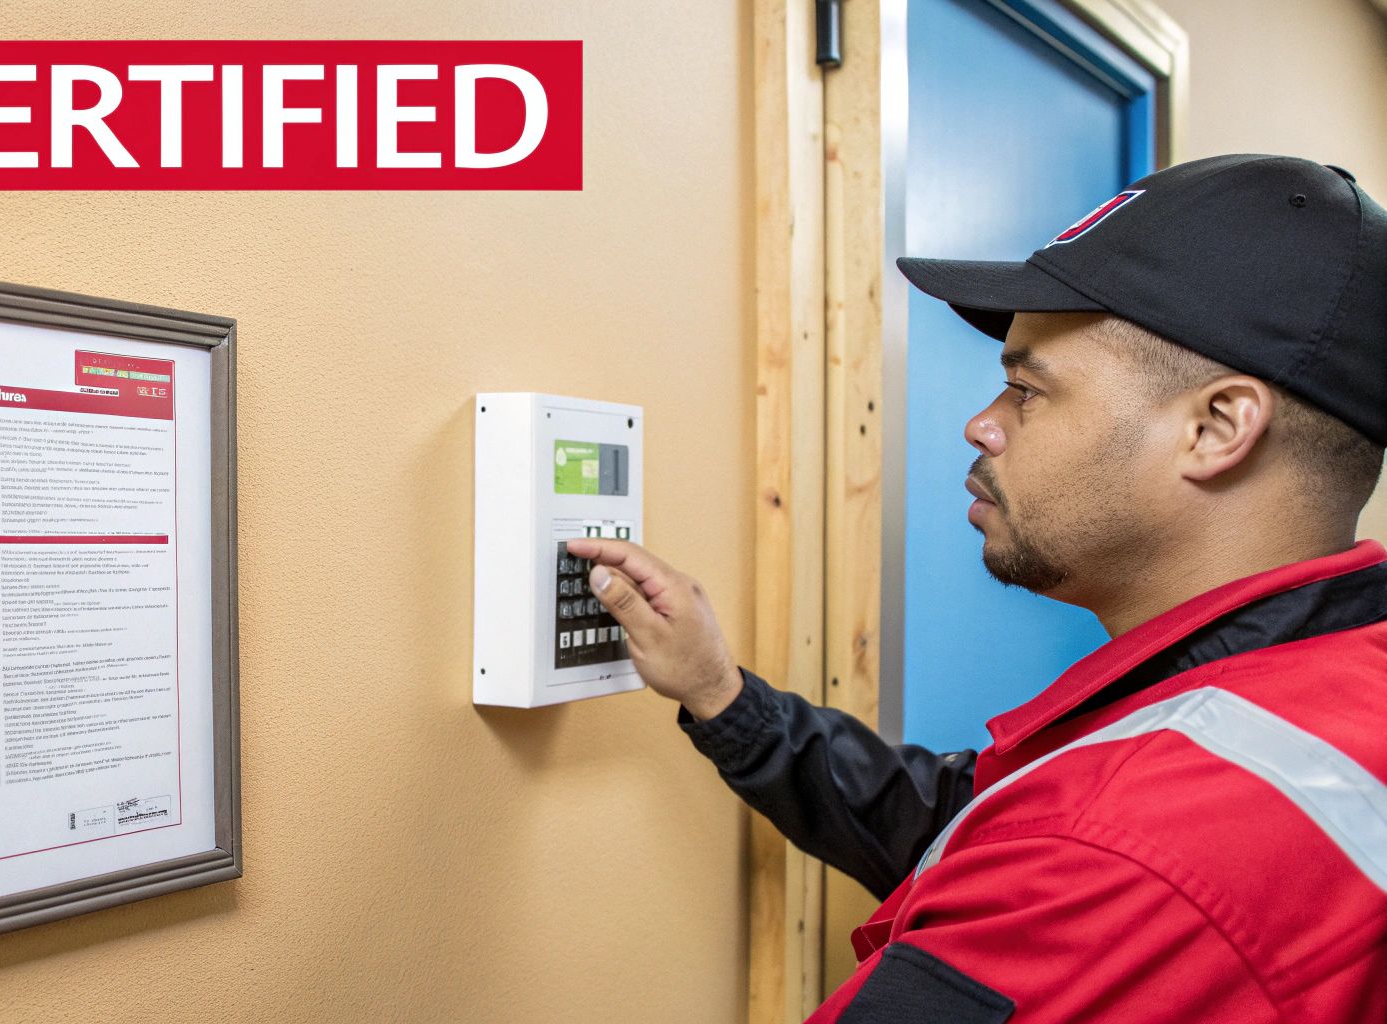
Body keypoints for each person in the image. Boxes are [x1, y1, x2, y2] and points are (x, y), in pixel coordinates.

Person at [566, 153, 1387, 1023]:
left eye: (1027, 390)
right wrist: (721, 696)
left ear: (1216, 427)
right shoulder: (1324, 682)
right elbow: (978, 818)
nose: (982, 424)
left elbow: (1062, 847)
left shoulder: (1116, 862)